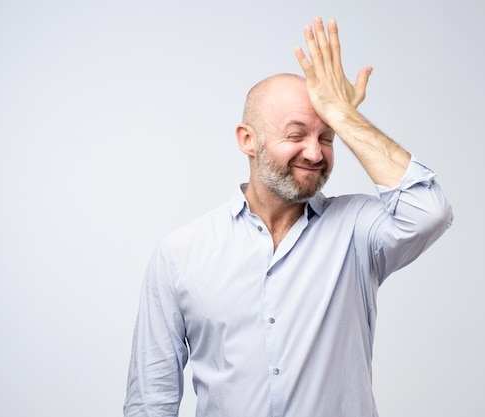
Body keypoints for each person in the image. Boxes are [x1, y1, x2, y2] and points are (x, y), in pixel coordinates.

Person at [124, 16, 453, 417]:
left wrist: (344, 116)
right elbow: (150, 402)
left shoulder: (357, 230)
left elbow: (429, 212)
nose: (315, 153)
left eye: (327, 137)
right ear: (248, 140)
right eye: (296, 135)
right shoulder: (179, 254)